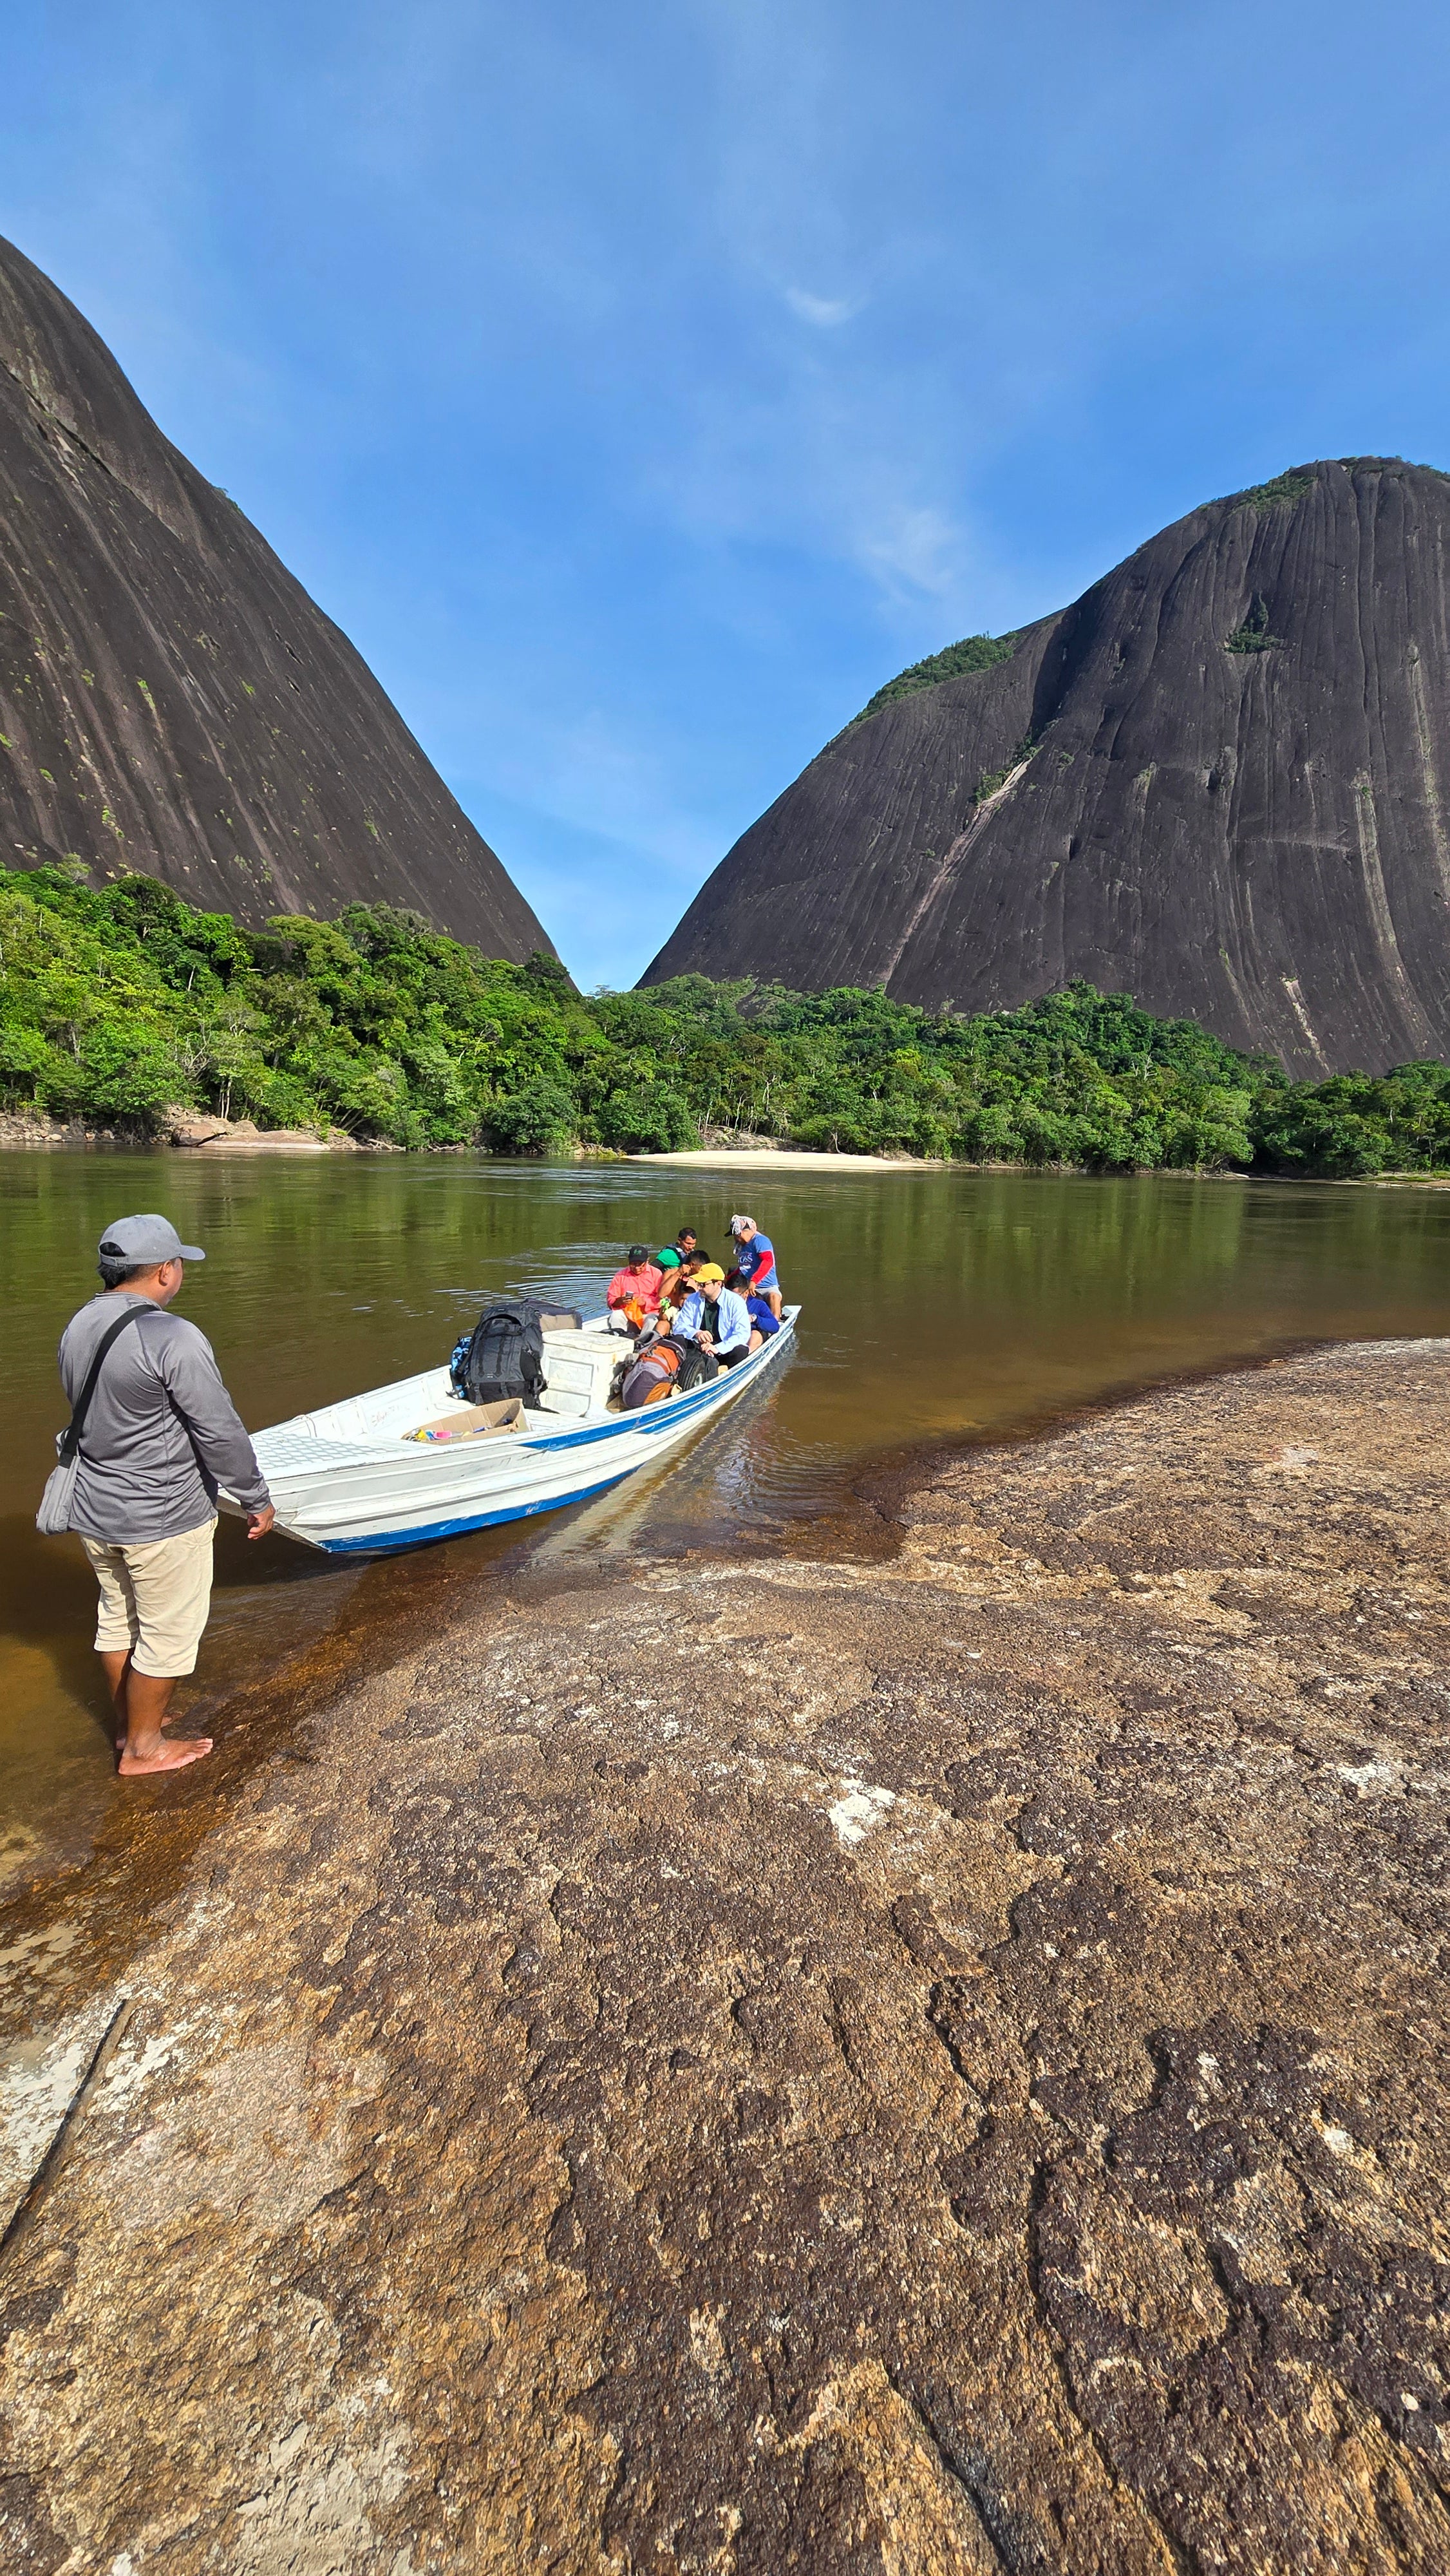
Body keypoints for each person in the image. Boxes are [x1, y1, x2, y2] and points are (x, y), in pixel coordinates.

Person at [57, 1214, 274, 1777]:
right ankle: (144, 1748)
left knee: (118, 1619)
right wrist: (254, 1496)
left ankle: (130, 1723)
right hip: (162, 1515)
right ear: (163, 1272)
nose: (180, 1273)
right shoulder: (173, 1336)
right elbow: (218, 1429)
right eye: (179, 1264)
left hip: (94, 1509)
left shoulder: (79, 1325)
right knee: (168, 1634)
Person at [673, 1264, 758, 1370]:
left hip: (725, 1348)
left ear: (718, 1284)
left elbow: (742, 1334)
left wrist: (717, 1348)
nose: (699, 1288)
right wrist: (696, 1333)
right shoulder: (692, 1299)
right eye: (698, 1283)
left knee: (740, 1351)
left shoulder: (736, 1302)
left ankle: (728, 1373)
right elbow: (679, 1327)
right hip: (700, 1347)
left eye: (703, 1284)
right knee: (677, 1340)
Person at [728, 1215, 782, 1321]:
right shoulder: (742, 1246)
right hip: (747, 1287)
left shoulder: (760, 1240)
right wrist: (728, 1278)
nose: (735, 1238)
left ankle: (775, 1322)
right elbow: (743, 1267)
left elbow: (768, 1261)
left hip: (767, 1286)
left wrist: (754, 1281)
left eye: (735, 1235)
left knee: (774, 1297)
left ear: (741, 1232)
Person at [605, 1244, 664, 1334]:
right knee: (616, 1315)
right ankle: (619, 1338)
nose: (637, 1268)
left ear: (647, 1261)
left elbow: (663, 1299)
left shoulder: (656, 1274)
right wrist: (619, 1301)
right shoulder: (620, 1276)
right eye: (633, 1264)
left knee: (652, 1320)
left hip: (648, 1314)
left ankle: (644, 1341)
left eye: (640, 1264)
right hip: (628, 1314)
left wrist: (646, 1302)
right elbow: (611, 1300)